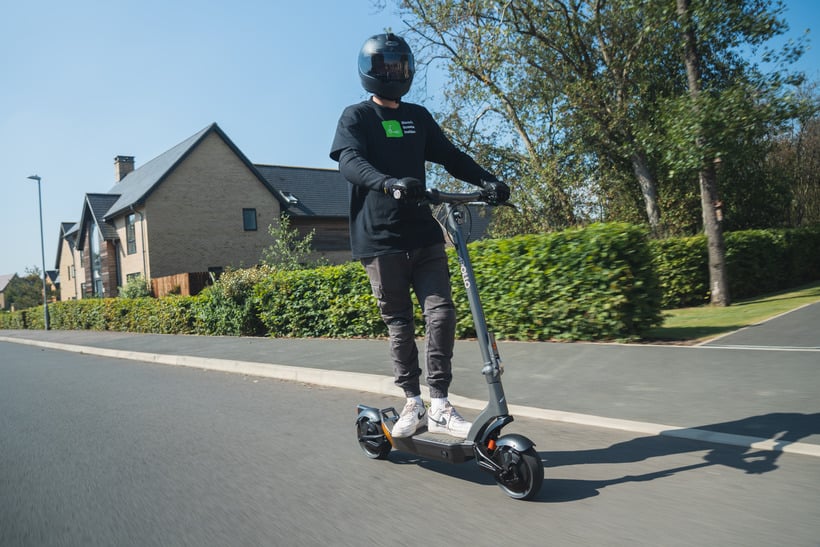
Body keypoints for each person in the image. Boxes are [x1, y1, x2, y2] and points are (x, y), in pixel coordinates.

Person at [329, 33, 510, 439]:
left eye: (400, 66)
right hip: (380, 240)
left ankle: (441, 402)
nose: (394, 73)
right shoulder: (356, 117)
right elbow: (350, 162)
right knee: (399, 323)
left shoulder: (418, 117)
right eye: (386, 67)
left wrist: (489, 180)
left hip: (423, 234)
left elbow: (451, 156)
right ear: (369, 72)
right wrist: (388, 182)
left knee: (441, 312)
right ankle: (413, 400)